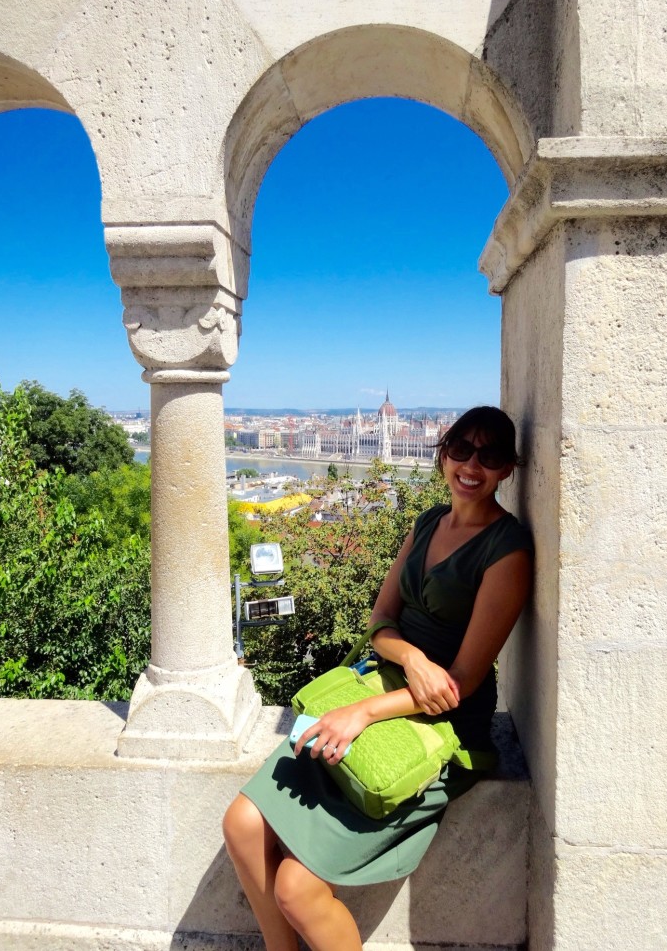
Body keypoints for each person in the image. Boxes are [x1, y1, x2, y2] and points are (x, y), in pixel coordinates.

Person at [223, 405, 533, 951]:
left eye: (489, 456)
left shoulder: (507, 551)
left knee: (296, 887)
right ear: (443, 455)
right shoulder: (428, 522)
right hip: (378, 687)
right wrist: (410, 659)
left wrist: (364, 712)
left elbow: (456, 683)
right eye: (461, 450)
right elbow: (380, 622)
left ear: (508, 468)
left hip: (441, 725)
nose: (471, 465)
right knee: (243, 825)